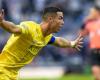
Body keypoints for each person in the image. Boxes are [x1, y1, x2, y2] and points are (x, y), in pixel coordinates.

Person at [0, 7, 83, 80]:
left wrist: (72, 43)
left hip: (13, 75)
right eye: (60, 18)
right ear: (50, 19)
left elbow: (59, 41)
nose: (63, 22)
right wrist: (2, 22)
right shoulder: (31, 28)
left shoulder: (47, 37)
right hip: (2, 71)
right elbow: (14, 28)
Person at [80, 6, 100, 80]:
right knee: (96, 73)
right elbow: (81, 35)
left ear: (97, 12)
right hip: (94, 51)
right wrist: (84, 22)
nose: (90, 14)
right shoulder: (89, 23)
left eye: (92, 12)